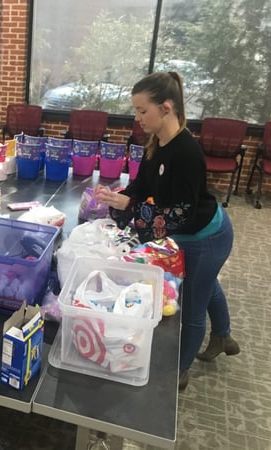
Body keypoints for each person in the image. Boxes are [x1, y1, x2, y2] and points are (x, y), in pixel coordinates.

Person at [95, 72, 240, 391]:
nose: (137, 118)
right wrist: (121, 199)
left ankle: (181, 370)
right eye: (135, 111)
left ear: (166, 108)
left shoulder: (187, 152)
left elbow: (181, 214)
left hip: (206, 236)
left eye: (142, 110)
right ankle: (223, 335)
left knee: (192, 303)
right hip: (189, 234)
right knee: (206, 283)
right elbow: (144, 184)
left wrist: (131, 207)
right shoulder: (156, 143)